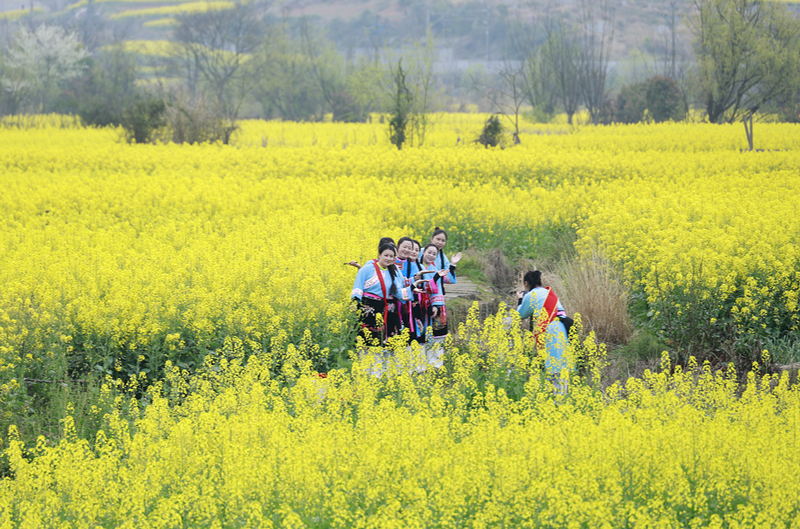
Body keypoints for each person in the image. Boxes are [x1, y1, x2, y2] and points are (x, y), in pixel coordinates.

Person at [351, 242, 417, 346]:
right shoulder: (367, 269)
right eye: (386, 255)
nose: (388, 258)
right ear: (379, 255)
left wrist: (412, 288)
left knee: (378, 341)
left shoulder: (391, 272)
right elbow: (358, 286)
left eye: (391, 256)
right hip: (367, 307)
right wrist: (354, 303)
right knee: (365, 340)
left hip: (381, 309)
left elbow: (398, 293)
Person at [517, 270, 570, 381]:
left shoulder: (531, 295)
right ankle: (562, 396)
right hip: (562, 326)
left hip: (549, 329)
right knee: (562, 368)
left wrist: (520, 299)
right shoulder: (549, 293)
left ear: (526, 284)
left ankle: (554, 396)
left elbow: (520, 315)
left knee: (553, 370)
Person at [425, 227, 462, 293]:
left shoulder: (444, 258)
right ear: (432, 238)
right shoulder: (420, 252)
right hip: (420, 288)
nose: (440, 242)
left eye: (443, 241)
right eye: (438, 239)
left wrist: (452, 264)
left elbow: (448, 279)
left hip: (435, 290)